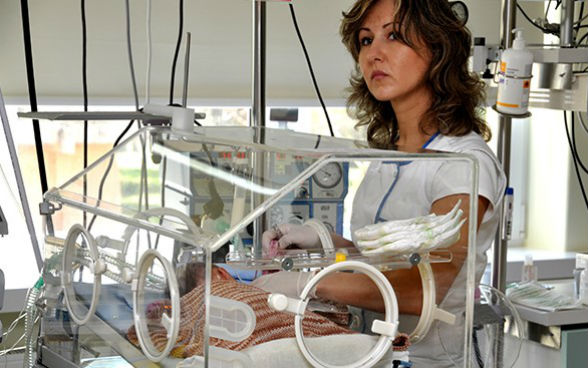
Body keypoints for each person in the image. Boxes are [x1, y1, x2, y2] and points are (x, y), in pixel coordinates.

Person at [255, 0, 507, 366]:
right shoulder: (389, 154)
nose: (375, 53)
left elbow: (421, 290)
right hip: (369, 353)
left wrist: (308, 282)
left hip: (428, 360)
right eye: (366, 40)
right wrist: (326, 244)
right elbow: (388, 259)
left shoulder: (464, 164)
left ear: (438, 48)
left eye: (394, 36)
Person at [127, 263, 410, 359]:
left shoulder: (261, 287)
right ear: (221, 272)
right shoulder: (226, 292)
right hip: (374, 331)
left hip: (385, 318)